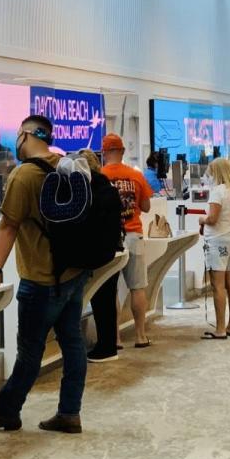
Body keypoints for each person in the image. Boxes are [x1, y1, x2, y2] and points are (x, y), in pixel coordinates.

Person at [0, 115, 91, 434]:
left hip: (41, 277)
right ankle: (69, 412)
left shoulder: (24, 175)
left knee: (30, 351)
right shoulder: (68, 165)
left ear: (23, 134)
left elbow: (8, 226)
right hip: (73, 272)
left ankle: (7, 412)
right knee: (73, 345)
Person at [90, 133, 154, 358]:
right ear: (123, 151)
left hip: (110, 239)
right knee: (137, 287)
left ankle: (114, 338)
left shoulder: (99, 175)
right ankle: (140, 335)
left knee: (110, 291)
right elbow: (145, 207)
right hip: (134, 233)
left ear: (104, 152)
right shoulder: (135, 175)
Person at [198, 158, 230, 339]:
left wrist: (202, 219)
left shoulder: (217, 192)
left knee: (218, 286)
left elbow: (212, 219)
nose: (208, 177)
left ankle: (220, 329)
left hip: (217, 241)